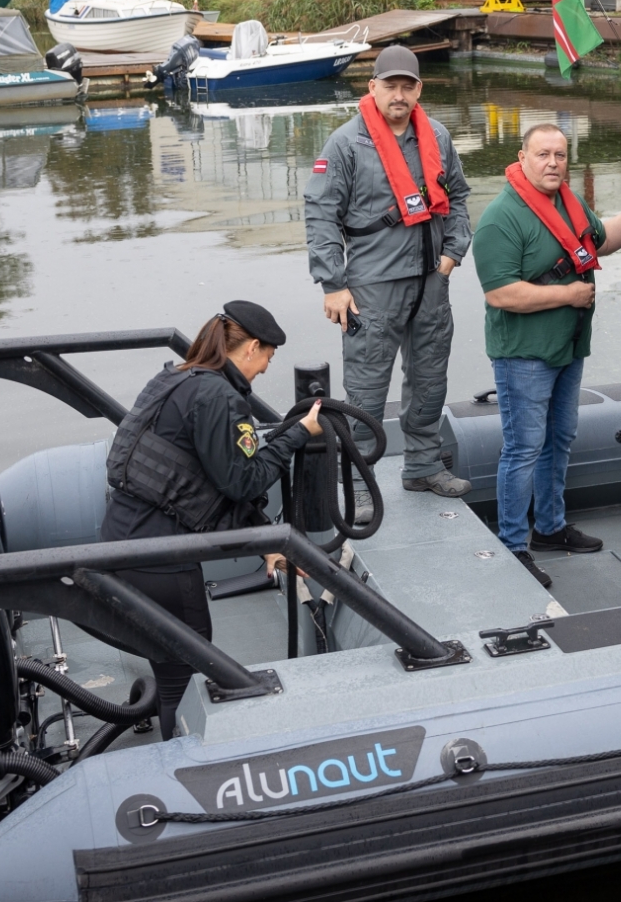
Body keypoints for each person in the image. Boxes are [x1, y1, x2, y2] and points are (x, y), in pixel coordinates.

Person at [102, 301, 322, 738]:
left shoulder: (175, 378)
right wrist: (299, 434)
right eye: (266, 360)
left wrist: (265, 541)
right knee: (183, 676)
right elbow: (243, 481)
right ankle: (180, 766)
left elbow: (198, 483)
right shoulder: (220, 396)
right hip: (164, 560)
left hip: (121, 540)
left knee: (168, 670)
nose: (262, 372)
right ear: (252, 348)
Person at [471, 124, 621, 588]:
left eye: (561, 154)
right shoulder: (500, 218)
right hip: (524, 356)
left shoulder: (568, 203)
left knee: (560, 438)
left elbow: (603, 240)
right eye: (543, 154)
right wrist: (569, 295)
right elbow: (501, 295)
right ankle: (514, 546)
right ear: (522, 157)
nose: (553, 162)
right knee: (523, 448)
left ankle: (550, 528)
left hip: (568, 348)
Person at [304, 45, 472, 520]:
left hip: (431, 284)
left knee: (429, 381)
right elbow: (320, 214)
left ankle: (422, 466)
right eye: (390, 85)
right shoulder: (344, 144)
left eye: (407, 86)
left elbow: (458, 195)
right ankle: (357, 482)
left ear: (419, 89)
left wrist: (453, 253)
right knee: (365, 393)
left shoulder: (436, 136)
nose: (399, 95)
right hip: (372, 288)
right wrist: (332, 284)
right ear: (372, 87)